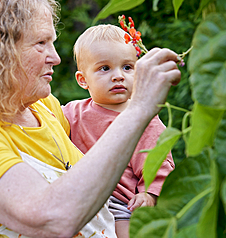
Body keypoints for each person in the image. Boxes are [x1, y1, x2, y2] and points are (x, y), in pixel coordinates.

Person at [0, 0, 181, 238]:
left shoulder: (43, 108)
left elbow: (103, 127)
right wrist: (139, 108)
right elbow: (52, 220)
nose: (55, 58)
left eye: (52, 43)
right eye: (41, 43)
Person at [62, 24, 175, 238]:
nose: (118, 76)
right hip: (79, 199)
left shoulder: (144, 118)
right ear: (82, 79)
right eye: (105, 68)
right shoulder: (72, 113)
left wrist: (148, 195)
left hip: (121, 204)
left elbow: (158, 163)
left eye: (127, 67)